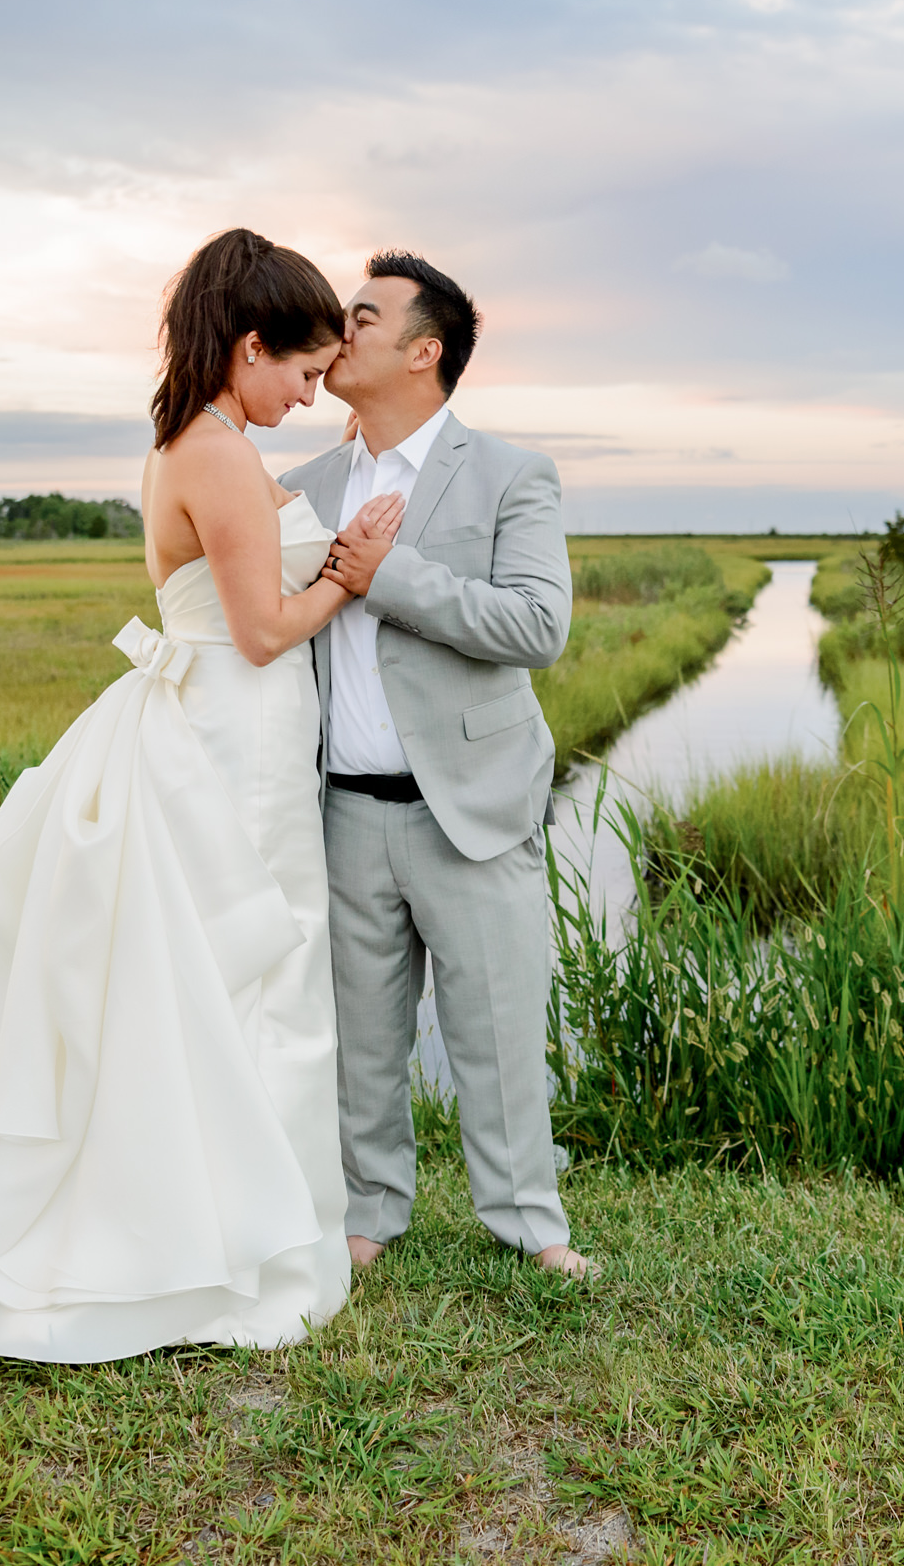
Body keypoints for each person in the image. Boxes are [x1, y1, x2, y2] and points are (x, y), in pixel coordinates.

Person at [0, 228, 405, 1361]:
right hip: (236, 731)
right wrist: (347, 577)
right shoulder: (213, 451)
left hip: (235, 726)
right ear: (250, 346)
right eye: (304, 373)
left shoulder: (197, 435)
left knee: (224, 973)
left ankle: (237, 1224)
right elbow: (262, 633)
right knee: (249, 972)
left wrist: (325, 565)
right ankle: (232, 1247)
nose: (312, 396)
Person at [284, 250, 598, 1281]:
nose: (341, 327)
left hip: (471, 805)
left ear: (425, 351)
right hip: (341, 807)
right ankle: (370, 1211)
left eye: (363, 316)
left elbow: (538, 624)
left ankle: (527, 1222)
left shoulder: (511, 473)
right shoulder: (304, 484)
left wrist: (389, 575)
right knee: (360, 1034)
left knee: (497, 1027)